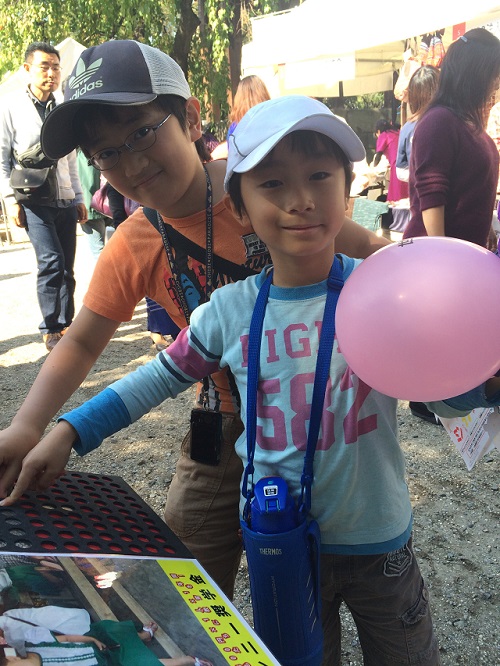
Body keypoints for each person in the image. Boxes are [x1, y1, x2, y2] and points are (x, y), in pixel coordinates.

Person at [5, 95, 500, 665]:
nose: (300, 200)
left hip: (379, 539)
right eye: (272, 184)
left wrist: (484, 379)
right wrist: (68, 432)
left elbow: (444, 392)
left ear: (348, 190)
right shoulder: (229, 312)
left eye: (320, 176)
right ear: (239, 206)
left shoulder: (382, 293)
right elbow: (154, 380)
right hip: (280, 542)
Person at [0, 40, 389, 600]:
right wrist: (28, 424)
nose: (130, 164)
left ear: (190, 116)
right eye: (105, 153)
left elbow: (372, 254)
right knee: (184, 578)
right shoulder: (135, 242)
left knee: (323, 574)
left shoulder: (265, 186)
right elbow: (81, 342)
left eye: (141, 132)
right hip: (221, 418)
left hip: (316, 415)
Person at [403, 28, 500, 424]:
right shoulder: (439, 121)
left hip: (466, 263)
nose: (496, 87)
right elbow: (432, 197)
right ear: (478, 74)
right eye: (494, 76)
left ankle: (439, 396)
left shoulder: (469, 123)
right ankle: (433, 397)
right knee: (452, 366)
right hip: (441, 266)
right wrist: (444, 268)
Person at [0, 42, 87, 352]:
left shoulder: (63, 106)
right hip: (33, 198)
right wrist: (10, 200)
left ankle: (66, 325)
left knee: (67, 267)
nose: (51, 73)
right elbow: (2, 156)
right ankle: (49, 327)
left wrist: (78, 196)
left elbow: (70, 158)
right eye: (44, 66)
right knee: (51, 261)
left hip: (64, 196)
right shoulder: (10, 106)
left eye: (55, 67)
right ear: (27, 69)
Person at [0, 619, 212, 666]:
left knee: (106, 630)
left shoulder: (34, 645)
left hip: (93, 648)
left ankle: (143, 637)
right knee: (138, 664)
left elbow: (65, 638)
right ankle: (187, 660)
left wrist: (92, 638)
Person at [395, 65, 440, 183]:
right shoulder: (453, 124)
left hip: (419, 198)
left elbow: (400, 171)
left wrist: (420, 177)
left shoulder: (407, 128)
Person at [76, 150, 107, 259]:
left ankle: (106, 275)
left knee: (98, 251)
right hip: (111, 200)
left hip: (89, 202)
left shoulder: (77, 149)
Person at [372, 118, 408, 203]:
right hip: (408, 165)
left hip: (397, 167)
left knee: (396, 198)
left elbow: (378, 157)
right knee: (407, 197)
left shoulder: (384, 135)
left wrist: (373, 167)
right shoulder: (398, 133)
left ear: (378, 131)